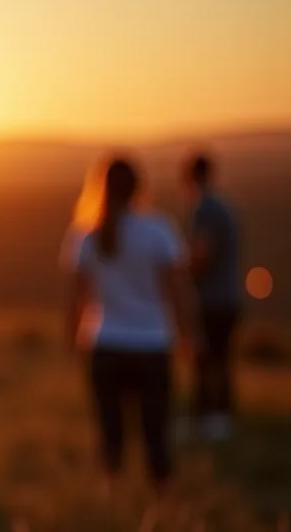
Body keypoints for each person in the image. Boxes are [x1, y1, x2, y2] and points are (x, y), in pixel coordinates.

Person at [64, 156, 193, 502]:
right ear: (139, 187)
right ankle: (164, 506)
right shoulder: (160, 230)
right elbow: (176, 294)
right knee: (156, 432)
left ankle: (111, 504)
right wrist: (185, 337)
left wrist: (75, 346)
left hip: (105, 343)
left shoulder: (86, 236)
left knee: (111, 433)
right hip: (152, 344)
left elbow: (77, 300)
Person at [181, 152, 243, 441]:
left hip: (211, 299)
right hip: (229, 295)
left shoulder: (204, 209)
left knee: (208, 358)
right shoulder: (225, 206)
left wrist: (182, 277)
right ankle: (221, 416)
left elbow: (202, 254)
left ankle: (211, 418)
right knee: (222, 357)